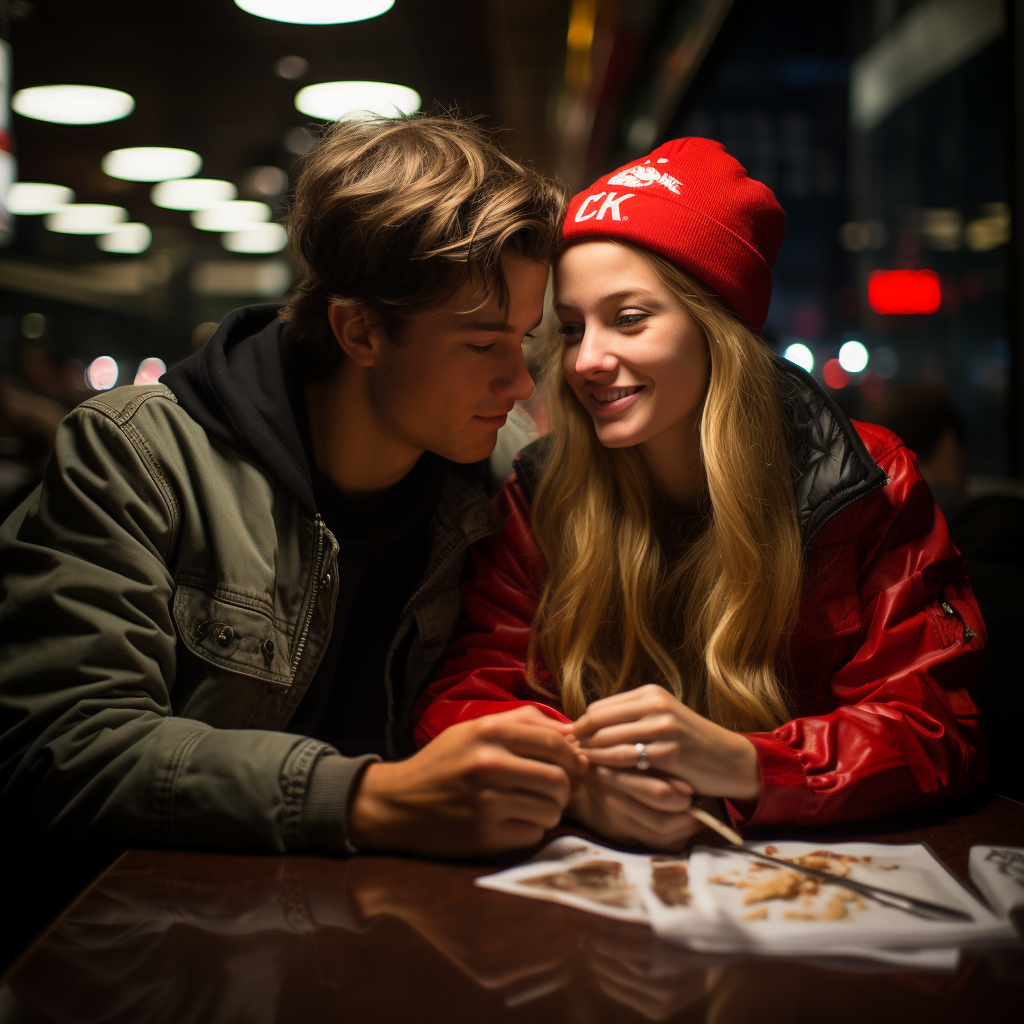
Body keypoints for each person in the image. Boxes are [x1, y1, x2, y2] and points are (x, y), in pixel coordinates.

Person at [0, 114, 587, 868]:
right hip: (159, 936)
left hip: (398, 924)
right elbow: (60, 747)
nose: (519, 381)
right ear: (360, 333)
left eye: (523, 339)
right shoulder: (140, 455)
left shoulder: (505, 472)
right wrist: (369, 799)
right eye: (481, 344)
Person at [415, 138, 988, 850]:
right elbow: (463, 699)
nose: (587, 359)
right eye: (569, 329)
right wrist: (582, 778)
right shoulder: (541, 491)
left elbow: (939, 728)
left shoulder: (864, 477)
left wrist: (743, 763)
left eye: (628, 318)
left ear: (716, 328)